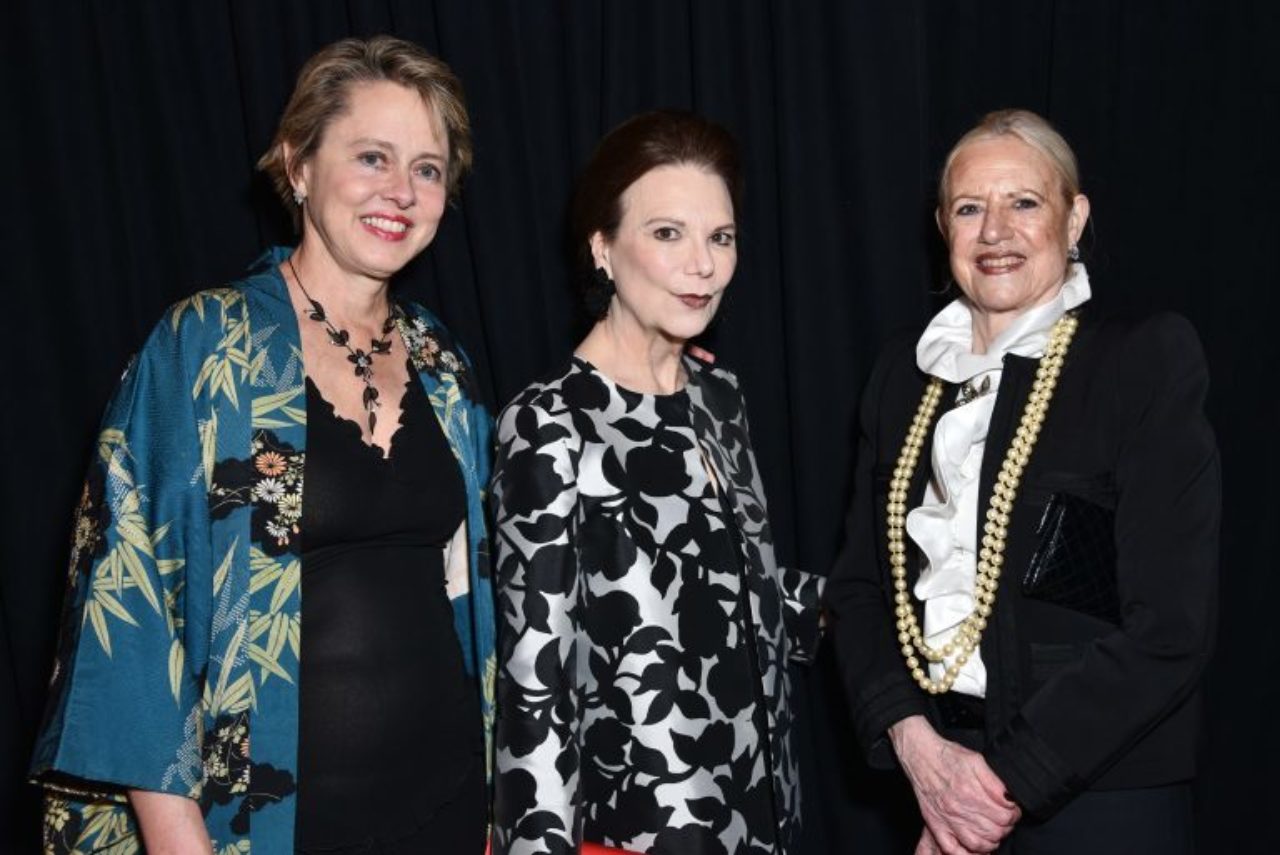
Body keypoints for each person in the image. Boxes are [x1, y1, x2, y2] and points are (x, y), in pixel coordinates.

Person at [30, 35, 495, 854]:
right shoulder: (206, 345)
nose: (402, 191)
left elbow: (480, 586)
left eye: (427, 168)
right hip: (270, 824)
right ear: (298, 163)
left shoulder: (441, 362)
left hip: (451, 805)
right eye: (372, 157)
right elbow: (129, 609)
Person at [825, 108, 1220, 855]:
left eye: (1025, 203)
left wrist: (995, 788)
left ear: (1075, 220)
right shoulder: (900, 380)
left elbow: (1170, 627)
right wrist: (921, 752)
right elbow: (856, 591)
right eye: (971, 207)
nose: (995, 231)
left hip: (1100, 800)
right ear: (943, 227)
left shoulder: (1141, 363)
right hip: (935, 782)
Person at [490, 111, 824, 855]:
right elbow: (533, 687)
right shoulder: (549, 423)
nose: (702, 265)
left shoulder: (720, 398)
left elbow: (735, 593)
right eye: (667, 233)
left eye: (720, 237)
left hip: (766, 816)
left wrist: (871, 609)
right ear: (603, 247)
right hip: (643, 833)